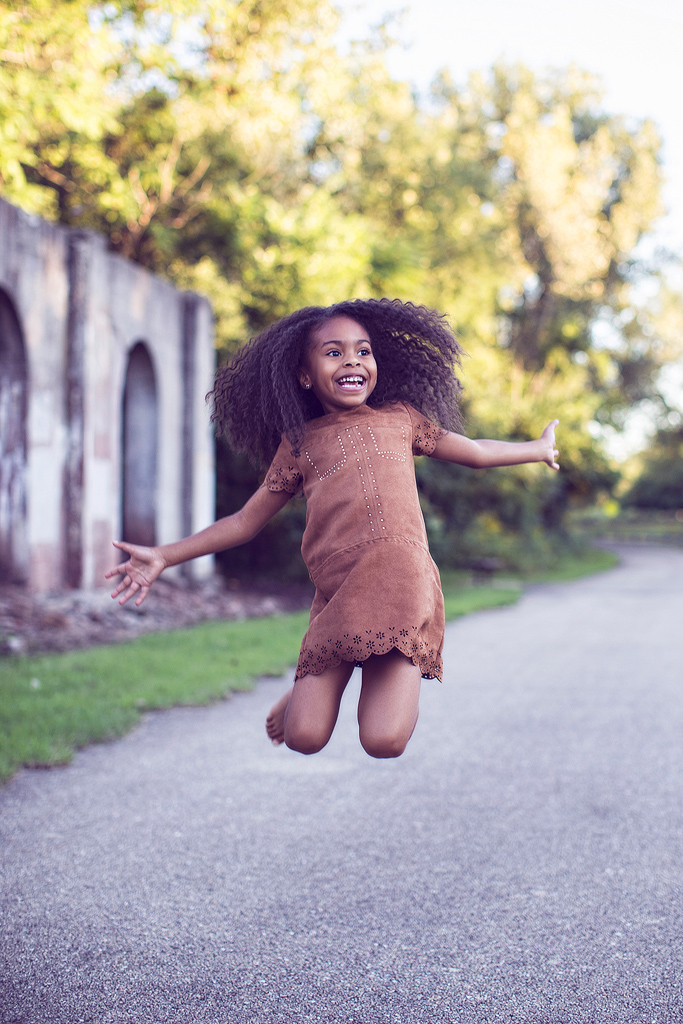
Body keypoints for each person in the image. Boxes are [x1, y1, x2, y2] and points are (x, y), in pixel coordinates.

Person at [107, 298, 559, 760]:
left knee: (383, 741)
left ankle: (358, 665)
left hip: (403, 585)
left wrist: (537, 448)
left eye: (363, 351)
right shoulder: (300, 444)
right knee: (305, 738)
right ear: (305, 375)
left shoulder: (402, 419)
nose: (353, 362)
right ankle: (311, 679)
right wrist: (165, 555)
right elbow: (244, 522)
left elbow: (478, 453)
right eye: (334, 352)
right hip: (340, 595)